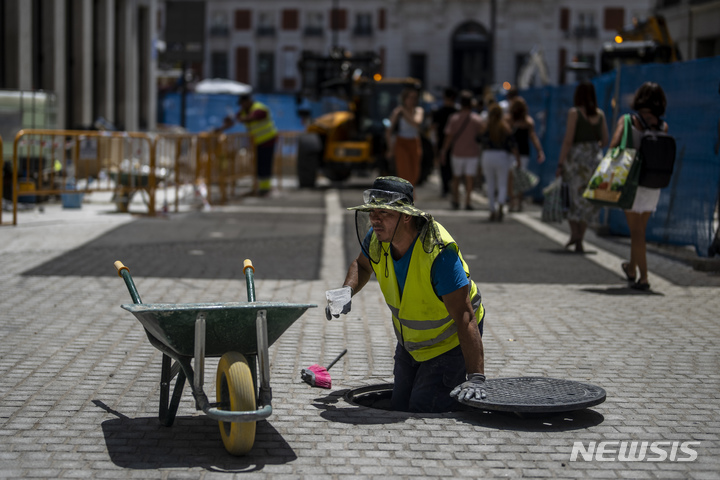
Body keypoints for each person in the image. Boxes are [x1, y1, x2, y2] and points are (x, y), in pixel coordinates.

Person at [325, 176, 486, 413]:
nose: (375, 219)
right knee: (399, 405)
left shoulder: (438, 252)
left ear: (407, 216)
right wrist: (345, 291)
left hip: (449, 344)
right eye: (372, 212)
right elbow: (362, 265)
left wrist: (476, 376)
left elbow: (465, 317)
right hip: (410, 344)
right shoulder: (377, 239)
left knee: (422, 408)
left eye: (384, 213)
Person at [610, 82, 669, 291]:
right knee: (640, 230)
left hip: (632, 182)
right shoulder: (663, 126)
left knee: (636, 232)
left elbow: (614, 145)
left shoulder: (628, 121)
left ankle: (643, 278)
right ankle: (632, 269)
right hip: (654, 183)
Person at [556, 82, 609, 252]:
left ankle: (574, 234)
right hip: (593, 160)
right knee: (588, 198)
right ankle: (581, 237)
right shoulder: (600, 114)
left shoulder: (575, 113)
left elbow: (568, 139)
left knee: (571, 196)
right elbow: (605, 140)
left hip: (576, 161)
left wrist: (561, 162)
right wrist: (593, 147)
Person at [216, 92, 278, 196]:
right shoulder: (244, 112)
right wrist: (223, 126)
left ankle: (265, 189)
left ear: (248, 101)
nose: (242, 106)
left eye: (243, 103)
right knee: (258, 165)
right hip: (257, 142)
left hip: (267, 140)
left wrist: (239, 119)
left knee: (265, 164)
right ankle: (260, 187)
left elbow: (253, 117)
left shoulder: (259, 108)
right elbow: (235, 119)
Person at [441, 90, 484, 210]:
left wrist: (444, 150)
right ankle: (468, 201)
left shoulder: (454, 118)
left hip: (457, 152)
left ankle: (456, 200)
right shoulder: (477, 119)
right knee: (470, 178)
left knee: (456, 177)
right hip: (472, 152)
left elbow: (449, 137)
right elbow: (482, 133)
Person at [478, 103, 520, 221]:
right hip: (502, 156)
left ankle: (492, 209)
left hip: (488, 155)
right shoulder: (505, 127)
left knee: (490, 184)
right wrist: (517, 158)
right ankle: (501, 204)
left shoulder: (486, 126)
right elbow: (513, 144)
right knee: (502, 183)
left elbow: (478, 139)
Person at [508, 97, 545, 212]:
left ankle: (515, 201)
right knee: (516, 177)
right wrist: (539, 150)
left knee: (516, 178)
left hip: (518, 153)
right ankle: (515, 201)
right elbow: (533, 137)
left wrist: (539, 150)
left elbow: (533, 137)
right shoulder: (514, 121)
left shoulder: (525, 121)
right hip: (517, 152)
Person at [386, 87, 424, 188]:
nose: (412, 100)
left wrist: (404, 111)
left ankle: (411, 192)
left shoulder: (418, 110)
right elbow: (389, 130)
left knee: (415, 171)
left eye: (414, 98)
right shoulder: (397, 112)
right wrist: (390, 148)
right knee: (403, 170)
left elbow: (416, 122)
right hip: (401, 142)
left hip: (414, 142)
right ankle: (406, 195)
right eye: (410, 98)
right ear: (404, 99)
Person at [431, 87, 459, 198]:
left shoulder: (439, 112)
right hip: (456, 143)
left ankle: (445, 188)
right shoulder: (457, 112)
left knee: (443, 166)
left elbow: (433, 128)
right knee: (453, 166)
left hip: (442, 141)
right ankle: (452, 186)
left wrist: (435, 144)